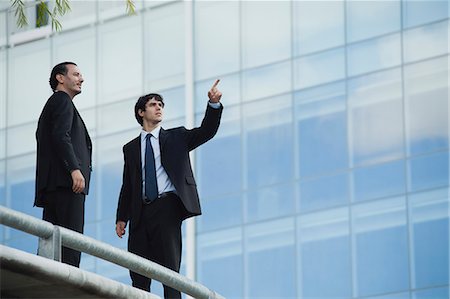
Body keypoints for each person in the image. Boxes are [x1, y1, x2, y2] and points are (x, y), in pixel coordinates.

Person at [115, 80, 223, 298]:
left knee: (169, 270)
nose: (159, 108)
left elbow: (206, 132)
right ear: (141, 112)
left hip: (166, 208)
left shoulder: (177, 137)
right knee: (138, 271)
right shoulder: (130, 148)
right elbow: (128, 184)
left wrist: (213, 105)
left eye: (161, 105)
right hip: (140, 212)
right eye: (153, 104)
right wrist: (121, 217)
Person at [34, 62, 92, 267]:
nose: (81, 78)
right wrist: (74, 169)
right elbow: (61, 136)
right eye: (76, 74)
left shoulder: (55, 103)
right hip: (67, 185)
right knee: (70, 250)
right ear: (60, 78)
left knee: (52, 251)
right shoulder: (62, 100)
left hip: (54, 186)